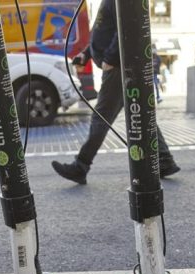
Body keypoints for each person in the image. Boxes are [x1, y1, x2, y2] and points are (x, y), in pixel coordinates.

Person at [51, 0, 179, 185]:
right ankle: (164, 160)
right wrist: (86, 54)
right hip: (119, 64)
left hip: (118, 66)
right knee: (140, 113)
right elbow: (104, 30)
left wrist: (111, 58)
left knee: (101, 117)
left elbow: (126, 26)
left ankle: (81, 166)